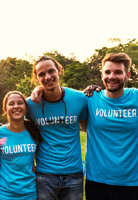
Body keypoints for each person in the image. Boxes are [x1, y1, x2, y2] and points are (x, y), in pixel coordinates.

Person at [83, 53, 138, 200]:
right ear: (102, 75)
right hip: (97, 181)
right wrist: (39, 89)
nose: (111, 76)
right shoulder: (90, 98)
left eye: (118, 72)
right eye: (107, 72)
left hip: (132, 182)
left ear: (127, 75)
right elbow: (60, 96)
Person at [27, 56, 87, 200]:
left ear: (59, 70)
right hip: (45, 174)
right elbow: (18, 130)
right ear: (36, 78)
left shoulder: (79, 98)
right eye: (41, 74)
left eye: (51, 71)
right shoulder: (30, 104)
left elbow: (88, 129)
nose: (47, 77)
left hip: (74, 174)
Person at [0, 91, 41, 200]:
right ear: (5, 109)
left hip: (29, 193)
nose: (16, 106)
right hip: (5, 193)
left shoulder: (34, 131)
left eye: (20, 103)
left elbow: (41, 155)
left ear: (26, 108)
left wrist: (38, 168)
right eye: (11, 104)